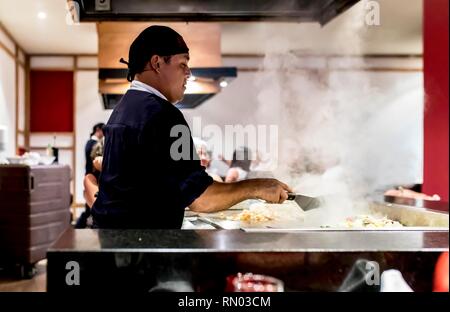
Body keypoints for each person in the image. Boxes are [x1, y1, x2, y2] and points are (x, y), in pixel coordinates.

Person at [91, 25, 292, 229]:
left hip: (115, 242)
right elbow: (200, 198)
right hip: (144, 249)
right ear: (157, 63)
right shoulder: (162, 114)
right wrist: (258, 186)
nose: (188, 72)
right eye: (183, 64)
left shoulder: (123, 108)